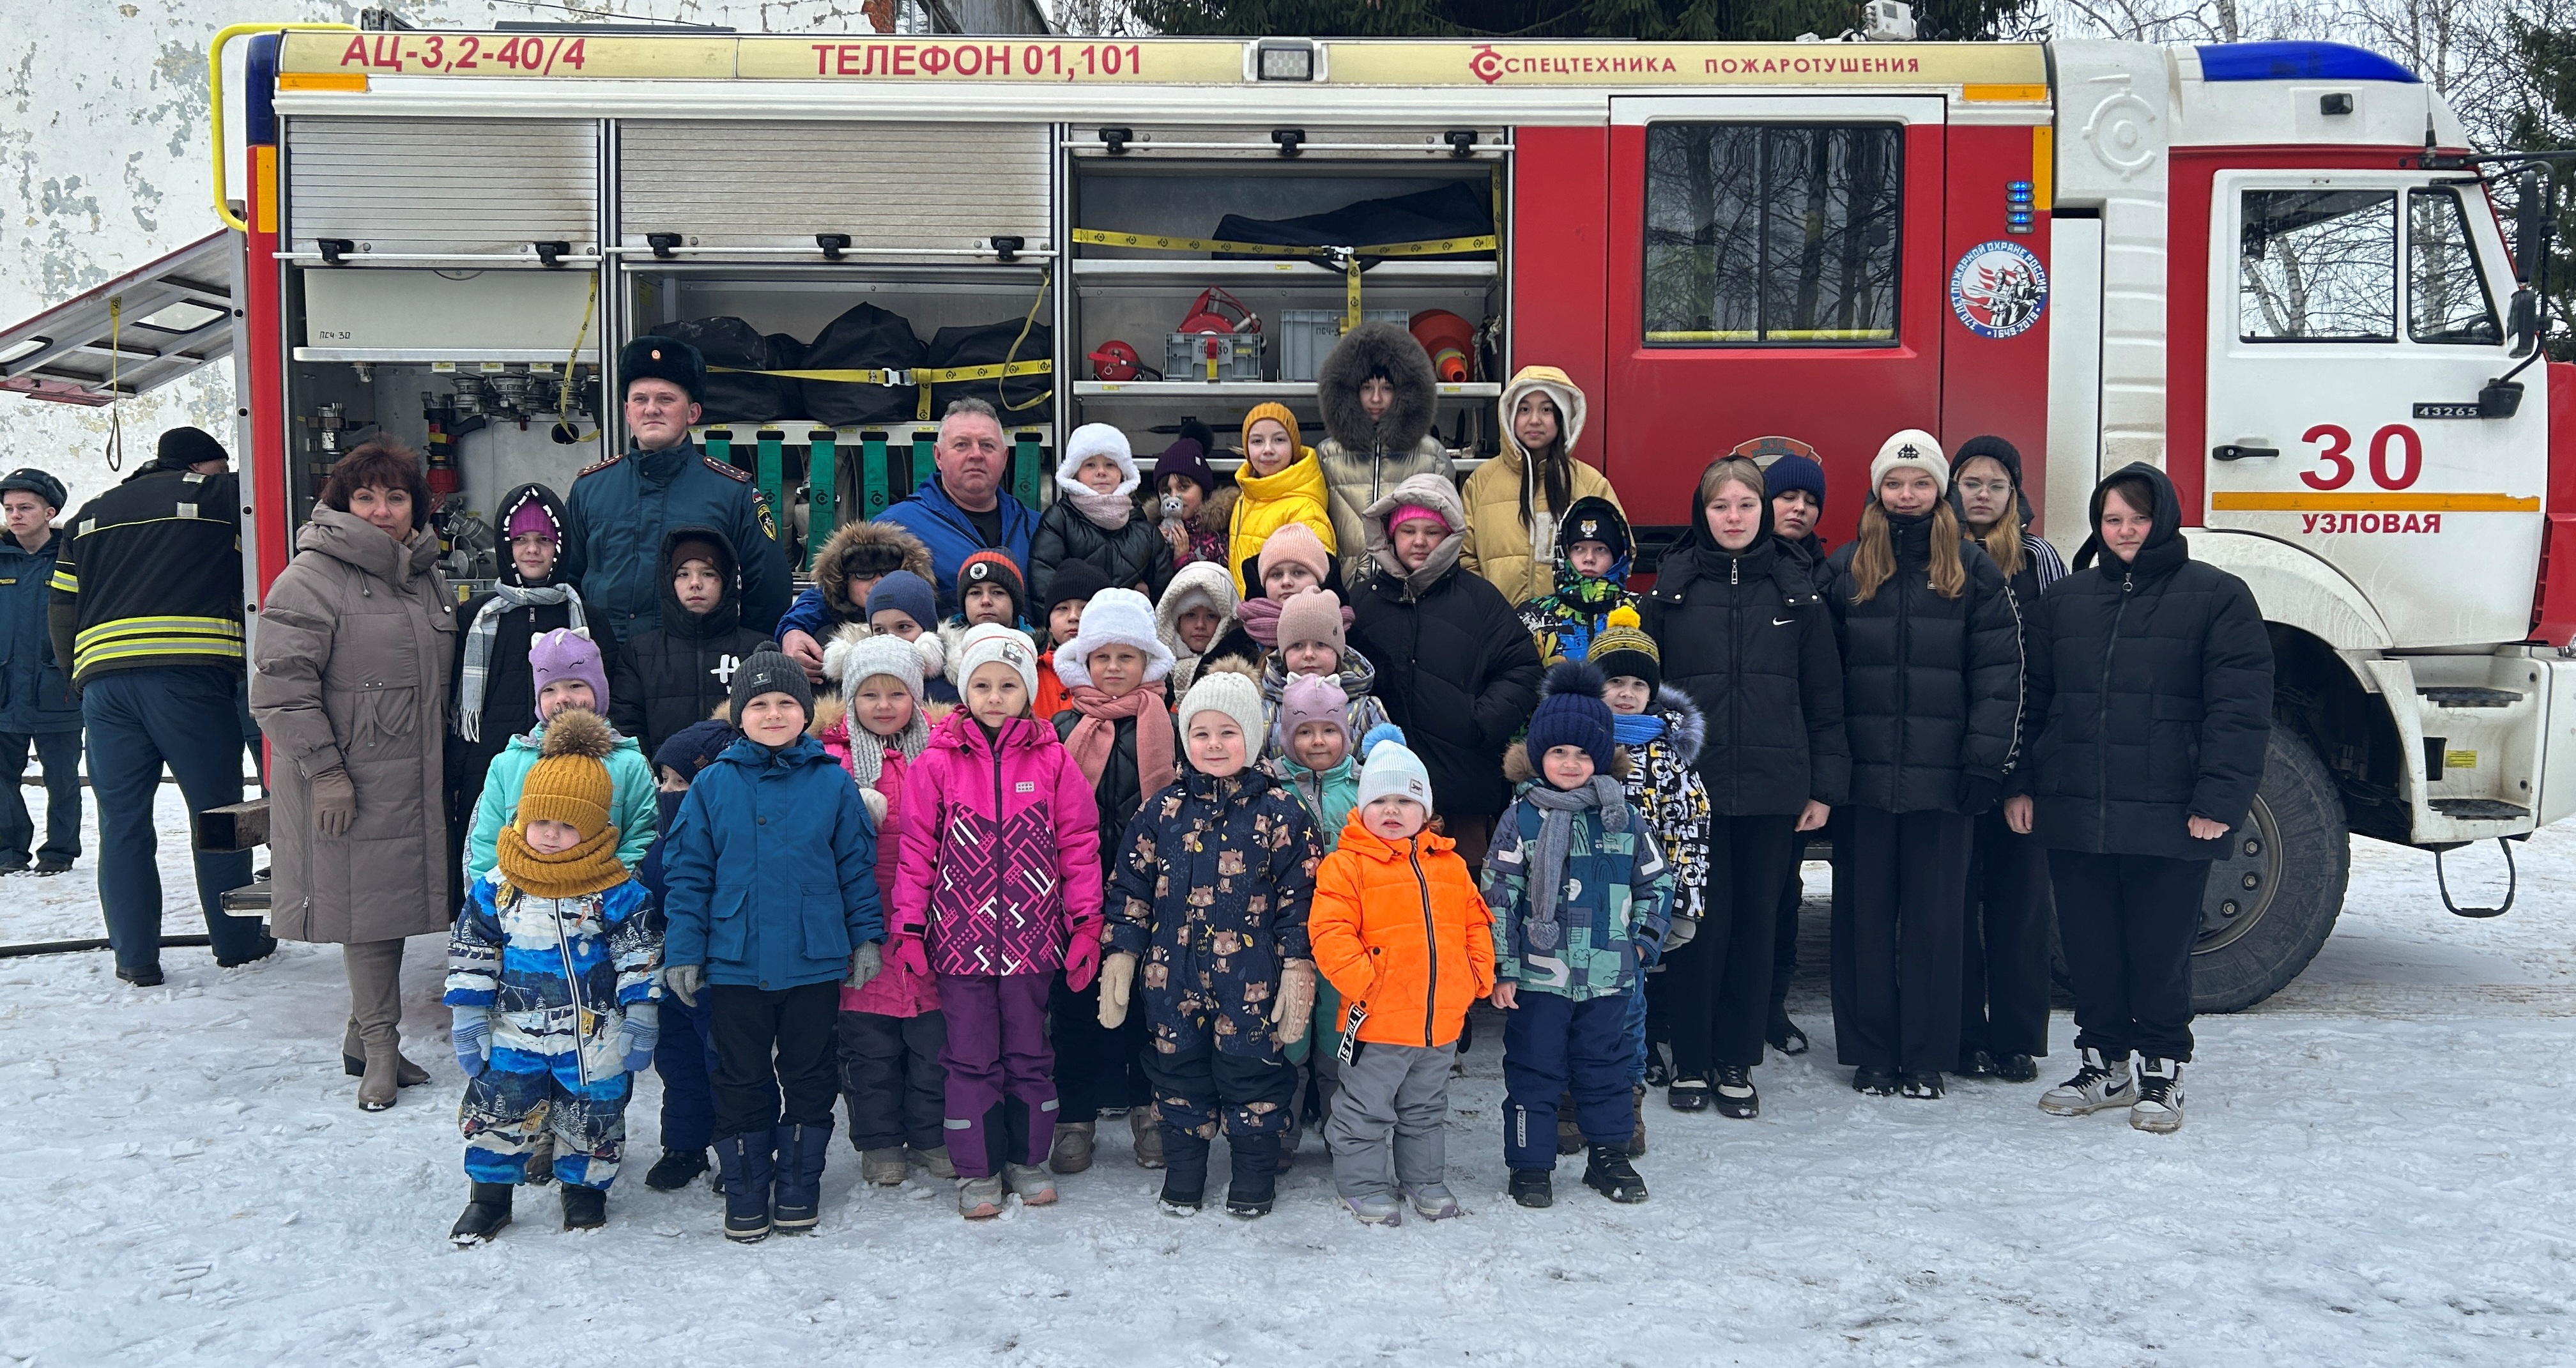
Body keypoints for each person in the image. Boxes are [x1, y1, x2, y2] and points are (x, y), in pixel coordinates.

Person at [2011, 463, 2272, 1135]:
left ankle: (2161, 1066)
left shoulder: (2217, 597)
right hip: (2076, 806)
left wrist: (2219, 797)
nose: (2124, 531)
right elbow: (2033, 702)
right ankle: (2102, 1063)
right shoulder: (2065, 602)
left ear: (2165, 518)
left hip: (2171, 811)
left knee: (2158, 947)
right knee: (2090, 945)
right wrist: (2021, 783)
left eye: (2138, 517)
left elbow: (2238, 710)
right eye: (2112, 519)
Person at [249, 441, 457, 1110]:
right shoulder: (310, 578)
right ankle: (382, 1047)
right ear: (341, 503)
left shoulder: (426, 576)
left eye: (396, 498)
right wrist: (326, 772)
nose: (382, 510)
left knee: (387, 906)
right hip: (349, 779)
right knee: (364, 913)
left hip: (414, 776)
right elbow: (280, 689)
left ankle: (360, 1038)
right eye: (365, 497)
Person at [1638, 458, 1846, 1119]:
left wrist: (1822, 786)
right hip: (1689, 796)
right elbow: (1646, 697)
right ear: (1702, 511)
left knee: (1758, 925)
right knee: (1696, 925)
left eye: (1745, 505)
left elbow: (1826, 699)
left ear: (1762, 513)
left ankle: (1736, 1061)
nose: (1733, 517)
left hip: (1773, 791)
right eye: (1720, 505)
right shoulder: (1670, 592)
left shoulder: (1798, 593)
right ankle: (1692, 1058)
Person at [1821, 431, 2023, 1101]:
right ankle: (1873, 1053)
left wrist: (1983, 763)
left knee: (1938, 923)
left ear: (1940, 490)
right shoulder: (1847, 568)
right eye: (1894, 483)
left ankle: (1927, 1054)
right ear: (1877, 489)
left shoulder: (1972, 569)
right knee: (1864, 922)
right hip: (1866, 784)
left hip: (1944, 783)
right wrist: (1832, 769)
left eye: (1920, 482)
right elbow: (1822, 679)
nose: (1907, 495)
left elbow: (1999, 676)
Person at [660, 650, 884, 1242]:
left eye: (787, 702)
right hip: (735, 960)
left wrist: (865, 936)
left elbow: (856, 871)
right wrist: (684, 948)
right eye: (759, 704)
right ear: (741, 715)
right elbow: (688, 875)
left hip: (813, 958)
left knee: (810, 1074)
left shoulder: (833, 783)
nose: (774, 713)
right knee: (740, 1074)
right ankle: (746, 1186)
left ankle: (798, 1183)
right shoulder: (712, 785)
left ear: (806, 712)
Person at [891, 624, 1102, 1220]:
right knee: (970, 1056)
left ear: (1028, 691)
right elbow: (916, 851)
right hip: (960, 944)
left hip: (1034, 943)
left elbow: (1078, 845)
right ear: (964, 688)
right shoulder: (936, 762)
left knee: (1031, 1052)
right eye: (981, 684)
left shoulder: (1054, 759)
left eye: (1008, 684)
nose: (993, 695)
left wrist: (1085, 925)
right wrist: (908, 930)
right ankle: (977, 1167)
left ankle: (1028, 1158)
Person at [1100, 670, 1324, 1218]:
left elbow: (1304, 896)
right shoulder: (1160, 812)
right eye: (1201, 733)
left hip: (1252, 979)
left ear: (1251, 736)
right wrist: (1122, 955)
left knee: (1254, 1075)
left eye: (1228, 732)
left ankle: (1253, 1175)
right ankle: (1184, 1174)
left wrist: (1298, 966)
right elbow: (1131, 886)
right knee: (1176, 1074)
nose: (1214, 744)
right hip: (1171, 976)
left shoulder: (1284, 814)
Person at [50, 426, 268, 984]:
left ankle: (136, 958)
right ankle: (237, 941)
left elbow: (61, 608)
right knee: (216, 816)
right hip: (187, 678)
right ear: (207, 465)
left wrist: (80, 676)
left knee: (121, 823)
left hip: (103, 685)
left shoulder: (89, 515)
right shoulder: (218, 496)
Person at [443, 708, 662, 1242]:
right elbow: (474, 948)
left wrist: (642, 1012)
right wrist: (470, 1013)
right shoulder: (498, 886)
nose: (549, 835)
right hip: (513, 1028)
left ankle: (584, 1190)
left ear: (592, 829)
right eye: (541, 822)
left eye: (567, 826)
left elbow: (640, 952)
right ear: (522, 818)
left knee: (595, 1111)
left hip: (594, 1032)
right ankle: (489, 1196)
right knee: (499, 1108)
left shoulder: (617, 890)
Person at [1485, 661, 1673, 1209]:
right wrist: (1505, 967)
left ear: (1602, 758)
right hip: (1539, 979)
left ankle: (1608, 1156)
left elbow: (1657, 883)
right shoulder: (1521, 817)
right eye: (1559, 752)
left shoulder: (1624, 819)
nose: (1570, 763)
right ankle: (1530, 1163)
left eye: (1583, 754)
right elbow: (1498, 895)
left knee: (1608, 1068)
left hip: (1609, 978)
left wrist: (1641, 942)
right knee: (1534, 1070)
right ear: (1540, 754)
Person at [1310, 735, 1492, 1225]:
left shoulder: (1451, 866)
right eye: (1381, 801)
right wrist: (1367, 981)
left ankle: (1424, 1178)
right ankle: (1364, 1184)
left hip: (1439, 1023)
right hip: (1377, 1022)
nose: (1392, 810)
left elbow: (1476, 922)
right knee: (1365, 1109)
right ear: (1363, 807)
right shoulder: (1346, 866)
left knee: (1426, 1108)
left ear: (1425, 809)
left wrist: (1475, 977)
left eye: (1406, 800)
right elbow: (1330, 932)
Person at [1045, 588, 1179, 1175]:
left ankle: (1149, 1110)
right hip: (1075, 891)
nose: (1115, 668)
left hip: (1152, 893)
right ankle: (1075, 1115)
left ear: (1148, 663)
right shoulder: (1061, 727)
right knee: (1075, 1006)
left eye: (1128, 657)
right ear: (1085, 661)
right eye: (1103, 657)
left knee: (1149, 1006)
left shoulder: (1169, 726)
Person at [1949, 436, 2068, 1083]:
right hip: (1957, 764)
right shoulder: (1941, 556)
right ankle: (1964, 1032)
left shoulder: (2038, 559)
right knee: (1955, 905)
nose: (1983, 493)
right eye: (1971, 481)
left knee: (2021, 906)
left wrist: (2031, 771)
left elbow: (2055, 663)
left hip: (2021, 764)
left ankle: (2018, 1036)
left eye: (1996, 483)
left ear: (2015, 493)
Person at [1349, 473, 1544, 868]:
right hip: (1383, 792)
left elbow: (1522, 668)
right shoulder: (1363, 600)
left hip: (1462, 789)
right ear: (1390, 534)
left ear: (1450, 536)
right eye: (1408, 530)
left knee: (1463, 899)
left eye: (1431, 531)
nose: (1419, 542)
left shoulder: (1479, 599)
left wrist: (1479, 723)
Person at [819, 629, 953, 1185]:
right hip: (863, 925)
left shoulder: (944, 753)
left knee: (933, 1045)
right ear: (851, 700)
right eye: (869, 695)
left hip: (932, 925)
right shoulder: (831, 761)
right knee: (868, 1048)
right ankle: (879, 1141)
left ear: (917, 697)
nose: (883, 706)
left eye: (896, 693)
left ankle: (931, 1134)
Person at [1580, 605, 1710, 1149]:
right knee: (1576, 1008)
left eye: (1638, 684)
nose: (1627, 693)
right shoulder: (1577, 749)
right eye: (1615, 682)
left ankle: (1623, 1105)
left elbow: (1692, 831)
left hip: (1638, 911)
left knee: (1627, 1011)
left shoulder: (1670, 758)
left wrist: (1685, 904)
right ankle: (1572, 1102)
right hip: (1580, 907)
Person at [562, 336, 790, 642]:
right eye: (640, 399)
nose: (651, 409)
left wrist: (737, 657)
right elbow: (565, 583)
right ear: (628, 412)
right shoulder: (590, 489)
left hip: (696, 676)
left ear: (693, 413)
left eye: (666, 399)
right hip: (607, 670)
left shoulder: (733, 494)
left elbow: (768, 594)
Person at [448, 483, 583, 912]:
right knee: (493, 870)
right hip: (490, 771)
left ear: (560, 547)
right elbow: (457, 702)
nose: (531, 551)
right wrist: (459, 770)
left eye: (543, 540)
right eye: (520, 540)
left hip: (566, 767)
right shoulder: (476, 616)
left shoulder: (582, 614)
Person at [1262, 670, 1375, 1158]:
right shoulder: (1271, 788)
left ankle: (1341, 1130)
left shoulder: (1363, 788)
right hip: (1285, 936)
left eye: (1329, 730)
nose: (1317, 741)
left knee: (1337, 1034)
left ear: (1346, 734)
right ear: (1287, 735)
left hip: (1347, 937)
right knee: (1289, 1035)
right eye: (1303, 731)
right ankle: (1279, 1133)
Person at [467, 629, 657, 883]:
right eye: (549, 690)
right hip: (521, 913)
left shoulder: (630, 764)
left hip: (600, 906)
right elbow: (485, 843)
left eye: (575, 685)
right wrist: (489, 899)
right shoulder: (508, 764)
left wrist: (612, 890)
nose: (563, 698)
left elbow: (643, 835)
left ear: (599, 690)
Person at [634, 718, 734, 1194]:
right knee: (677, 1062)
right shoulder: (655, 843)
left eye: (682, 782)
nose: (669, 791)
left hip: (719, 977)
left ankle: (738, 1145)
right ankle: (683, 1145)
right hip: (666, 977)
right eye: (664, 780)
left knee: (726, 1063)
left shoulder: (727, 840)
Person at [1758, 447, 1831, 1055]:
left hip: (1793, 762)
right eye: (1789, 496)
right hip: (1737, 762)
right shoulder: (1745, 568)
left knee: (1784, 892)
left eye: (1810, 501)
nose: (1800, 508)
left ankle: (1772, 1004)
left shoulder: (1828, 577)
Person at [606, 527, 776, 758]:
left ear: (726, 582)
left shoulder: (760, 650)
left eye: (708, 573)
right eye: (683, 574)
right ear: (669, 582)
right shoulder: (639, 654)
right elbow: (626, 731)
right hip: (664, 786)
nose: (695, 583)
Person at [1461, 365, 1623, 605]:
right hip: (1498, 629)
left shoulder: (1591, 484)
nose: (1534, 420)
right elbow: (1464, 557)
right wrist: (1487, 611)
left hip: (1571, 633)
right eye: (1524, 409)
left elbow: (1621, 553)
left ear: (1562, 417)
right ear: (1510, 416)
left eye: (1546, 409)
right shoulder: (1481, 482)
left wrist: (1583, 608)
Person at [1315, 321, 1455, 585]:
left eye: (1387, 388)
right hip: (1345, 593)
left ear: (1407, 392)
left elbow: (1449, 534)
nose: (1376, 399)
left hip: (1412, 592)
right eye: (1367, 387)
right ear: (1349, 392)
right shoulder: (1327, 455)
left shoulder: (1432, 455)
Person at [879, 397, 1039, 619]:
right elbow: (837, 593)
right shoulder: (896, 528)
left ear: (1004, 458)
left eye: (987, 445)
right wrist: (811, 625)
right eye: (961, 445)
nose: (976, 454)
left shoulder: (1038, 528)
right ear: (938, 456)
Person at [0, 466, 80, 876]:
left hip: (57, 689)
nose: (16, 515)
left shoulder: (73, 557)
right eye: (10, 507)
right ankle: (10, 850)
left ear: (49, 512)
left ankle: (59, 852)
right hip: (4, 690)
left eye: (25, 507)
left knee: (62, 777)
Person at [1031, 422, 1173, 606]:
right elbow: (1044, 586)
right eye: (1090, 465)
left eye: (1110, 465)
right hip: (1075, 632)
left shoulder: (1147, 533)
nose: (1101, 472)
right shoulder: (1059, 521)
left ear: (1123, 473)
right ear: (1075, 473)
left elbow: (1163, 601)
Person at [776, 519, 933, 682]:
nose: (878, 581)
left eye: (888, 572)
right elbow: (814, 602)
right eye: (864, 574)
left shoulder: (928, 625)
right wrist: (792, 629)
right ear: (844, 582)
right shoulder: (824, 636)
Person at [1202, 521, 1338, 684]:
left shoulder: (1342, 633)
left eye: (1298, 572)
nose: (1286, 582)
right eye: (1276, 575)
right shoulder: (1238, 644)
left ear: (1320, 579)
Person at [1225, 403, 1337, 599]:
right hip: (1250, 619)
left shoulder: (1305, 510)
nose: (1268, 449)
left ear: (1293, 446)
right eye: (1257, 441)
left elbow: (1318, 587)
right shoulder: (1245, 498)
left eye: (1279, 440)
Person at [1516, 496, 1636, 667]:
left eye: (1601, 549)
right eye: (1578, 548)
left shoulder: (1642, 611)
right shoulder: (1532, 616)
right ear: (1565, 553)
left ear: (1617, 558)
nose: (1589, 558)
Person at [1034, 558, 1112, 725]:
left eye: (1085, 608)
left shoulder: (1123, 670)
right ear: (1049, 624)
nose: (1073, 617)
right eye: (1062, 608)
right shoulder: (1029, 669)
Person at [1151, 420, 1234, 573]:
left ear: (1203, 490)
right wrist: (1153, 550)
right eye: (1166, 490)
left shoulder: (1219, 539)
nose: (1174, 497)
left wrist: (1182, 560)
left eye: (1184, 487)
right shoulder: (1149, 533)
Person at [1155, 560, 1238, 695]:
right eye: (1191, 615)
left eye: (1211, 616)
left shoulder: (1238, 676)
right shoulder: (1154, 676)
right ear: (1176, 620)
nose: (1200, 625)